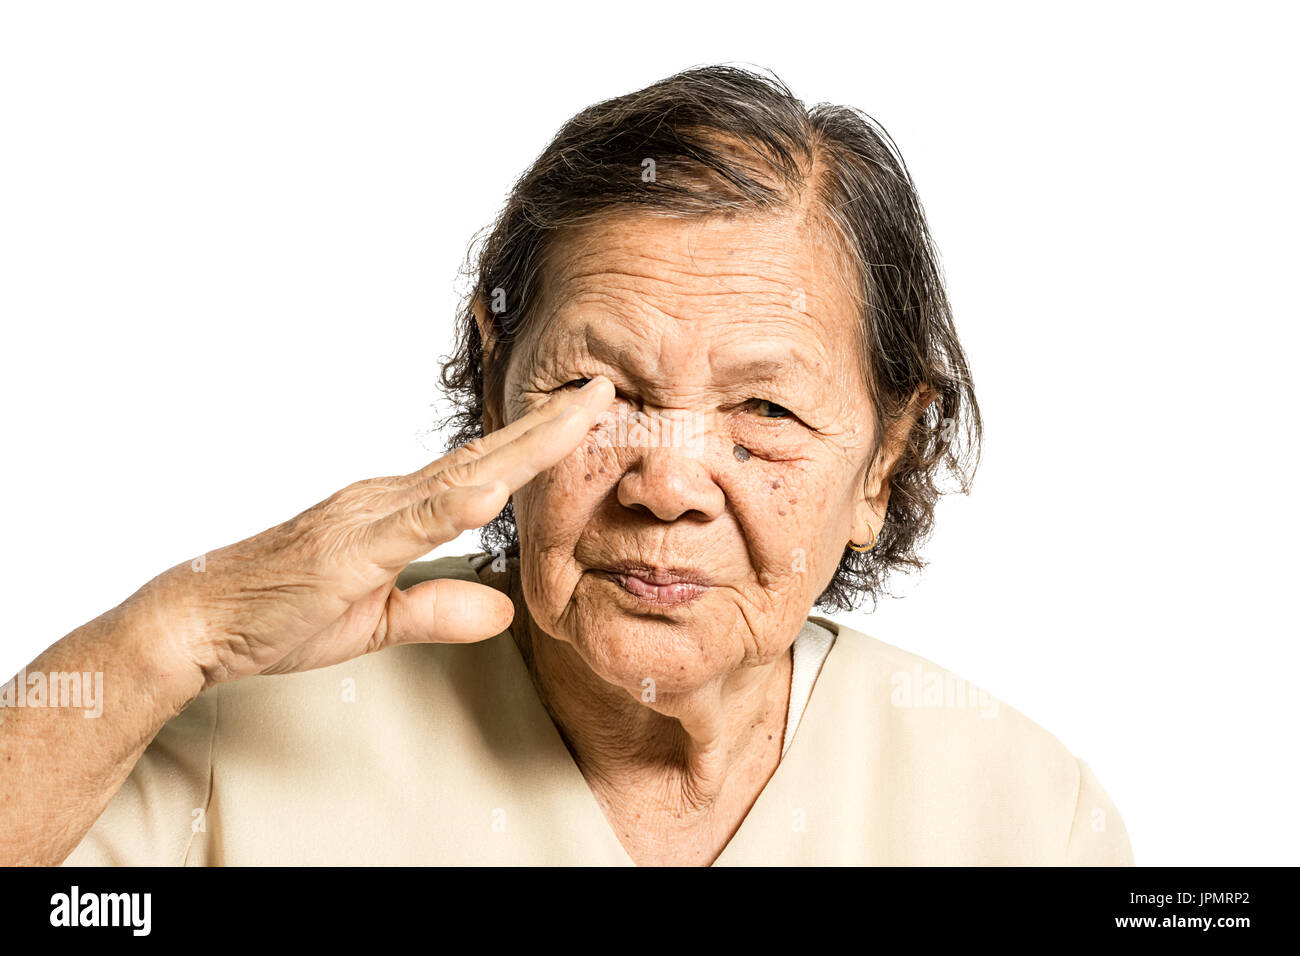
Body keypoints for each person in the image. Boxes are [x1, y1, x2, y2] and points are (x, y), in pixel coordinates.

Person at [0, 65, 1132, 866]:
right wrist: (178, 631)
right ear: (498, 386)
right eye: (598, 393)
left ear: (881, 464)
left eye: (763, 407)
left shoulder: (1024, 816)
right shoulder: (247, 738)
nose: (668, 483)